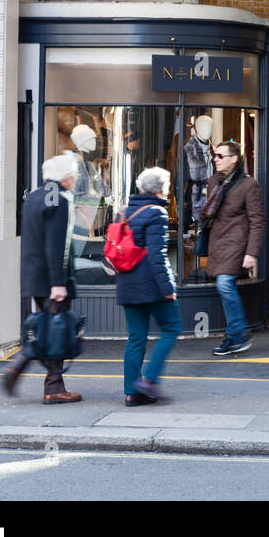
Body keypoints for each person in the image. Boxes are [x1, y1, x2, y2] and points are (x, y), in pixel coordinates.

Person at [2, 153, 83, 404]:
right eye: (74, 174)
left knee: (49, 328)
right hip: (52, 279)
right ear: (67, 177)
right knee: (56, 330)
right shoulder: (60, 198)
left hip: (35, 275)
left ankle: (49, 382)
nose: (76, 178)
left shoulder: (35, 196)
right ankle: (41, 379)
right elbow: (55, 243)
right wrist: (58, 283)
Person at [116, 167, 181, 406]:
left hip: (126, 283)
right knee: (172, 327)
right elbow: (157, 255)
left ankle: (132, 392)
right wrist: (168, 287)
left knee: (136, 337)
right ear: (159, 189)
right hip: (151, 285)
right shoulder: (157, 213)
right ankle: (150, 381)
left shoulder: (123, 212)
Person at [202, 139, 264, 356]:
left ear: (234, 159)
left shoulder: (249, 185)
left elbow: (258, 221)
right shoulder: (213, 182)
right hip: (217, 243)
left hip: (236, 244)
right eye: (215, 155)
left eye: (220, 156)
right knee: (223, 285)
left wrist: (251, 253)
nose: (215, 159)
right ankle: (234, 335)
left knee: (225, 283)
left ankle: (238, 334)